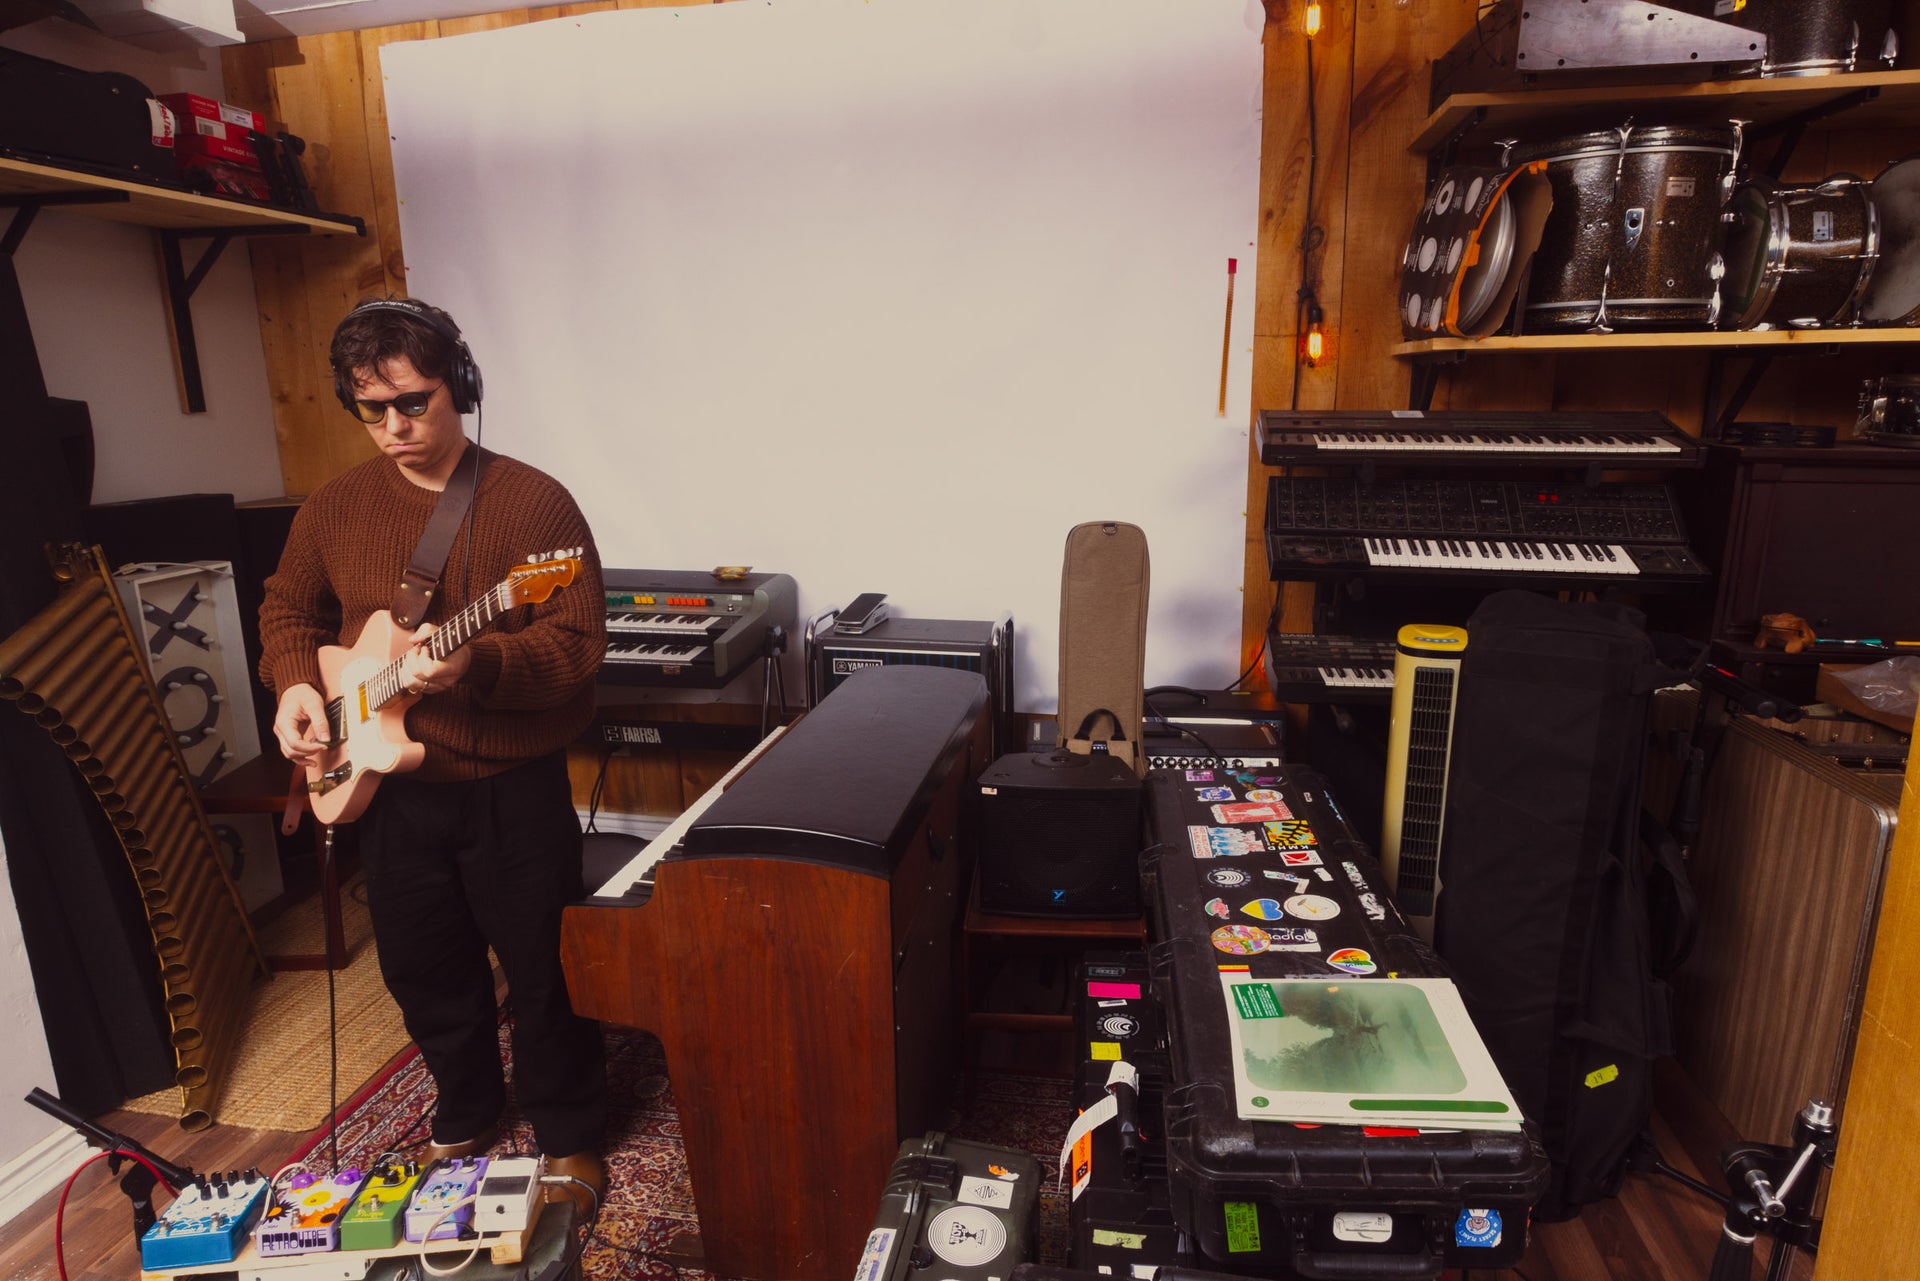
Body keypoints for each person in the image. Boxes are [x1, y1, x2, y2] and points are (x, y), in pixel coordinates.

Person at [257, 297, 608, 1208]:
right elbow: (288, 607)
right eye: (370, 410)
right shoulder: (334, 505)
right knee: (422, 966)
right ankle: (467, 1107)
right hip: (388, 789)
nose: (394, 428)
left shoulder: (533, 503)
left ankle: (568, 1129)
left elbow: (577, 645)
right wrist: (296, 685)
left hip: (508, 786)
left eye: (412, 402)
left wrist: (476, 662)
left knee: (545, 966)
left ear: (460, 384)